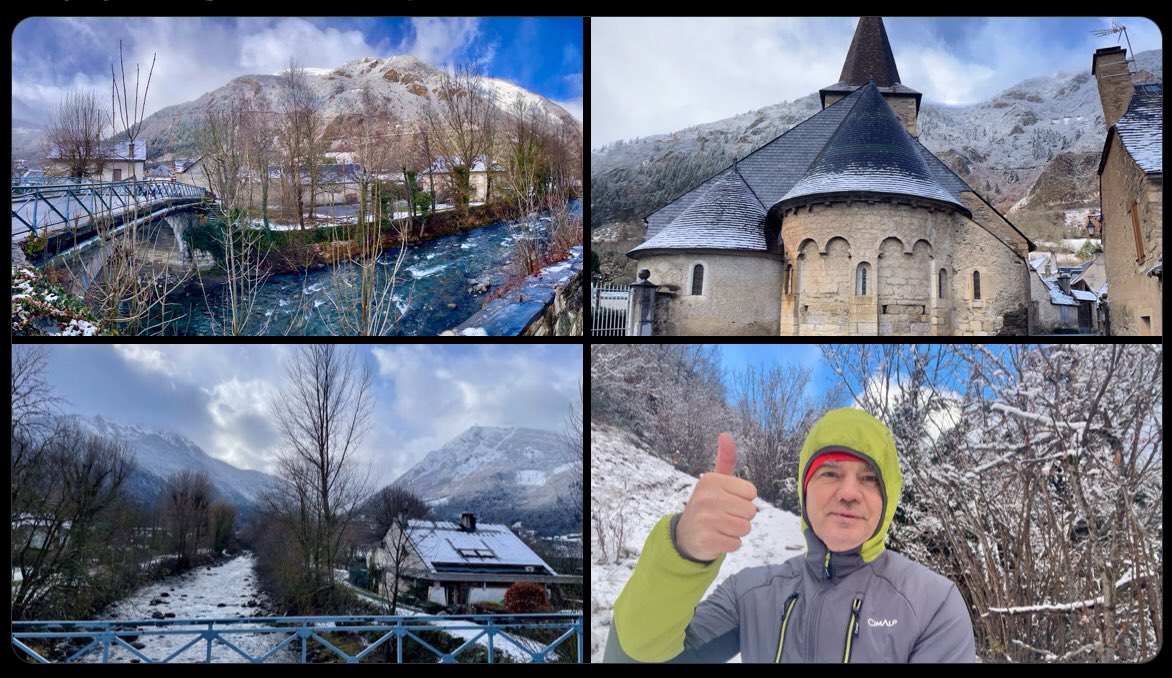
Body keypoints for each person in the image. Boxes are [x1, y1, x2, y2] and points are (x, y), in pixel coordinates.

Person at [604, 407, 976, 663]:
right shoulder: (750, 595)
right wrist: (683, 552)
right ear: (804, 490)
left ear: (888, 498)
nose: (849, 492)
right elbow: (636, 653)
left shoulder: (932, 606)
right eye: (829, 473)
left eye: (869, 478)